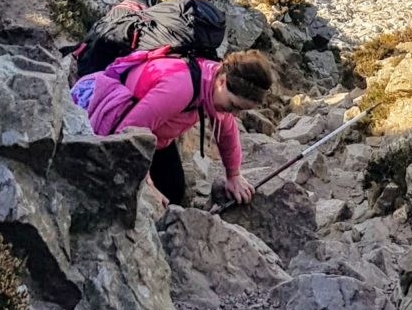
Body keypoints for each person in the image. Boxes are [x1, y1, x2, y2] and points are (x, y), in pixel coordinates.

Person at [73, 48, 275, 207]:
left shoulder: (213, 79)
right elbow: (128, 133)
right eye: (233, 106)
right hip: (111, 122)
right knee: (142, 197)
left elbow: (227, 131)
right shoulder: (179, 88)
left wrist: (234, 175)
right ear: (222, 82)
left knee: (174, 191)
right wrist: (147, 185)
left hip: (154, 137)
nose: (233, 113)